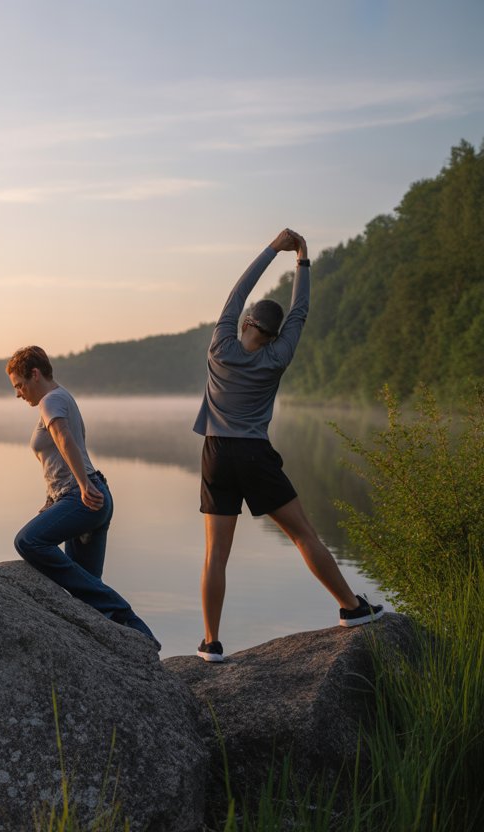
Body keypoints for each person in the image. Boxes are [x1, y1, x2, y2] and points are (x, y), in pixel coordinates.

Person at [194, 228, 382, 663]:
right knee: (303, 535)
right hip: (255, 456)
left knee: (215, 555)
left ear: (245, 324)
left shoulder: (220, 345)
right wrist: (303, 260)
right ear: (275, 334)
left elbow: (237, 292)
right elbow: (301, 311)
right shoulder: (279, 356)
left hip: (216, 454)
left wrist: (272, 250)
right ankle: (352, 608)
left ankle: (211, 643)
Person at [6, 348, 159, 648]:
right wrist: (53, 501)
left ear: (34, 374)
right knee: (86, 593)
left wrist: (83, 484)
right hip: (85, 495)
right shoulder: (63, 397)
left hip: (83, 497)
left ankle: (130, 622)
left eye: (19, 385)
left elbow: (64, 439)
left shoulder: (50, 401)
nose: (18, 394)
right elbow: (58, 460)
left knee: (27, 541)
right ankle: (138, 641)